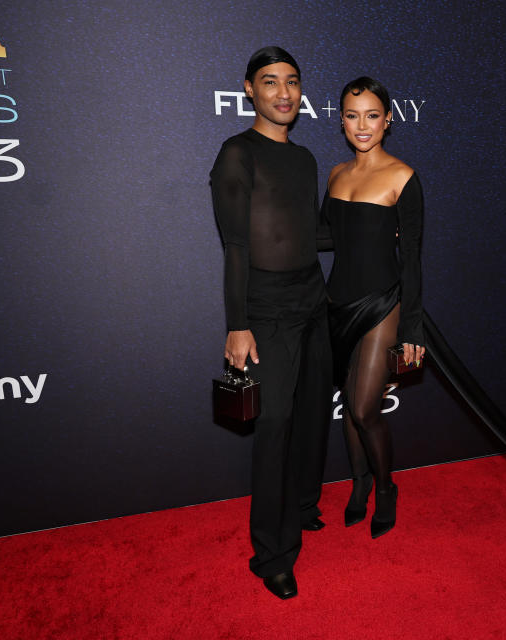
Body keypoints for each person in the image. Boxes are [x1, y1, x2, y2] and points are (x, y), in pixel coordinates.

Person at [210, 46, 331, 600]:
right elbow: (235, 245)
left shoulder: (306, 159)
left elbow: (310, 233)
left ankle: (303, 504)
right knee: (275, 422)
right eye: (270, 82)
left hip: (313, 298)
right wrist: (238, 324)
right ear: (249, 90)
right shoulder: (237, 153)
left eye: (292, 82)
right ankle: (273, 554)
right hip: (265, 307)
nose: (283, 93)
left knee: (311, 413)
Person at [319, 77, 425, 539]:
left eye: (372, 115)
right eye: (352, 114)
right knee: (347, 404)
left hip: (383, 303)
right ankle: (358, 485)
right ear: (341, 120)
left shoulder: (403, 177)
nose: (362, 125)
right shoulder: (336, 174)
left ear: (387, 120)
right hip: (336, 302)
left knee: (364, 409)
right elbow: (325, 238)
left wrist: (414, 330)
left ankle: (385, 488)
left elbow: (414, 259)